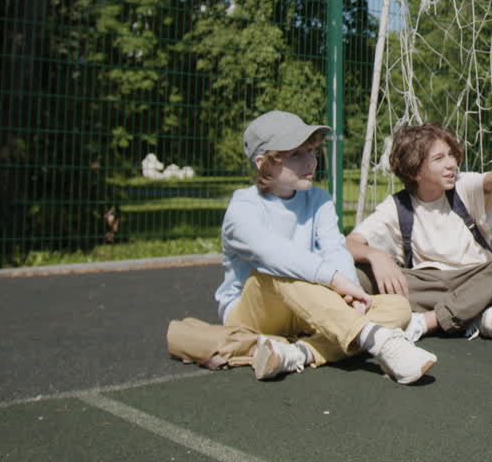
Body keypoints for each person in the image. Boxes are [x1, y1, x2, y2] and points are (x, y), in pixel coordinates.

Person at [171, 110, 437, 384]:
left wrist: (351, 294)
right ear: (264, 163)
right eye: (296, 154)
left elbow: (335, 248)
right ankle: (378, 340)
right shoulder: (243, 207)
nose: (310, 160)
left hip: (308, 304)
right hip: (257, 309)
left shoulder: (319, 199)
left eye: (311, 151)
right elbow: (274, 254)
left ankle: (296, 353)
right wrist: (336, 282)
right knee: (279, 272)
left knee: (398, 308)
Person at [347, 123, 492, 341]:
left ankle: (429, 321)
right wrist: (376, 255)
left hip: (477, 277)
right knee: (357, 274)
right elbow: (349, 243)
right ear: (414, 171)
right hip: (428, 285)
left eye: (450, 155)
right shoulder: (397, 206)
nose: (451, 164)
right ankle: (474, 311)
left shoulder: (463, 186)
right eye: (439, 159)